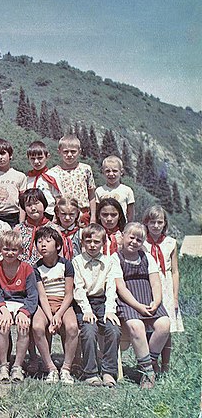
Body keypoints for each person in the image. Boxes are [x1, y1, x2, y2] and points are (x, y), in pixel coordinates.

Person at [114, 223, 170, 389]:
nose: (134, 242)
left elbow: (155, 283)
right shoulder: (115, 258)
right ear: (123, 236)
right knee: (136, 325)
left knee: (164, 324)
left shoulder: (147, 257)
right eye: (131, 237)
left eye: (139, 239)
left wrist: (156, 302)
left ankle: (148, 362)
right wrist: (138, 306)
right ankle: (148, 373)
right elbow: (121, 287)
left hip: (148, 298)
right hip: (129, 301)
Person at [72, 223, 122, 387]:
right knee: (89, 329)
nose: (92, 245)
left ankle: (108, 371)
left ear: (103, 243)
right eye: (88, 241)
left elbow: (110, 287)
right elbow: (78, 288)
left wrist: (110, 310)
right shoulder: (77, 262)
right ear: (83, 243)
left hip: (104, 302)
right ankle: (91, 372)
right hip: (84, 302)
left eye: (96, 242)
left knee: (113, 329)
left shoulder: (109, 262)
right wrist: (86, 310)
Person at [31, 227, 78, 384]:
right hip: (45, 305)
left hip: (63, 303)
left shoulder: (66, 265)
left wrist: (58, 315)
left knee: (72, 327)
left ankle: (66, 369)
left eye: (47, 241)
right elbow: (42, 296)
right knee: (37, 326)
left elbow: (69, 294)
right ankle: (50, 368)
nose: (43, 245)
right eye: (39, 242)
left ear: (58, 245)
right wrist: (51, 318)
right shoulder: (36, 268)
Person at [0, 231, 39, 383]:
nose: (10, 253)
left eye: (14, 249)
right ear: (0, 249)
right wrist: (2, 309)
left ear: (21, 251)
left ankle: (17, 366)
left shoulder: (27, 268)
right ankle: (3, 365)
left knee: (23, 325)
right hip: (3, 304)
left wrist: (24, 311)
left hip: (21, 303)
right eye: (6, 249)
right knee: (3, 325)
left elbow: (32, 295)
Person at [142, 205, 183, 372]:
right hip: (148, 285)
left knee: (167, 329)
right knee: (150, 325)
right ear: (146, 223)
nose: (156, 226)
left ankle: (165, 365)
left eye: (160, 222)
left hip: (165, 286)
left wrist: (174, 297)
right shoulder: (142, 242)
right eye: (152, 222)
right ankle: (151, 362)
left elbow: (174, 271)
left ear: (164, 223)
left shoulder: (170, 243)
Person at [48, 134, 96, 225]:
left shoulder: (86, 169)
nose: (69, 155)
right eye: (66, 152)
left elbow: (92, 195)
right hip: (64, 216)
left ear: (79, 151)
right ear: (59, 152)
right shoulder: (53, 173)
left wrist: (93, 216)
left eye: (73, 151)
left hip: (84, 214)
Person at [0, 138, 27, 228]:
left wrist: (21, 224)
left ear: (10, 155)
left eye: (3, 153)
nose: (0, 157)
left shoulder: (20, 176)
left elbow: (22, 203)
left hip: (13, 216)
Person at [14, 188, 56, 265]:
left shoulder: (53, 228)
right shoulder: (18, 230)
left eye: (36, 203)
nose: (33, 208)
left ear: (44, 204)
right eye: (29, 205)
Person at [25, 141, 60, 219]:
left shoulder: (52, 176)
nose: (36, 162)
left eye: (40, 158)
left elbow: (58, 199)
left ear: (47, 156)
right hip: (32, 215)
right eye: (33, 159)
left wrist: (57, 217)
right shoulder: (28, 178)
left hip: (49, 214)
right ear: (28, 158)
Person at [95, 156, 135, 222]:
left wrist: (129, 227)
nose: (111, 174)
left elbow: (130, 213)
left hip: (122, 226)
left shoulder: (127, 191)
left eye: (115, 171)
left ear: (121, 172)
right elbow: (97, 212)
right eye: (107, 171)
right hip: (104, 225)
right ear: (103, 172)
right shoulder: (99, 191)